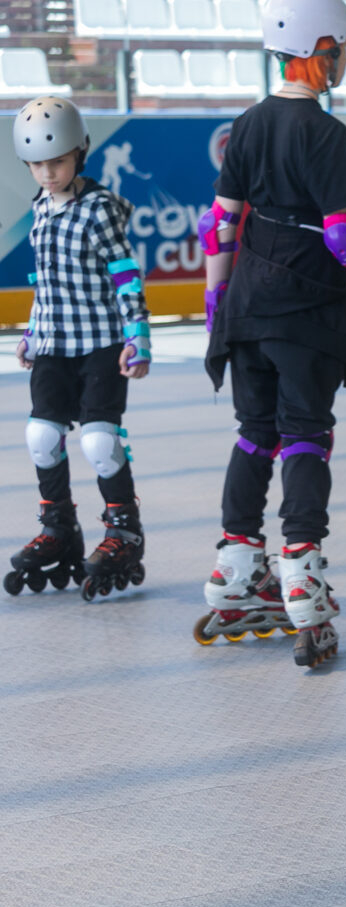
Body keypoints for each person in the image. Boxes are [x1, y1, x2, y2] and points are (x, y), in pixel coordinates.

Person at [197, 0, 346, 667]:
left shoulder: (245, 125)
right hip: (306, 308)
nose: (344, 62)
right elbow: (340, 236)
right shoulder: (324, 134)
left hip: (246, 305)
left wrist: (217, 301)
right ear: (313, 50)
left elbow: (220, 225)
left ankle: (236, 570)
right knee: (304, 434)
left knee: (253, 433)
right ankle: (301, 575)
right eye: (340, 50)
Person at [7, 95, 152, 602]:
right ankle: (59, 527)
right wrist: (31, 332)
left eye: (58, 161)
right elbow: (46, 282)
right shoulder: (40, 208)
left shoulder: (99, 210)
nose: (48, 173)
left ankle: (124, 533)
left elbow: (125, 273)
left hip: (100, 343)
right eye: (38, 164)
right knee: (41, 435)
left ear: (80, 154)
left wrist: (139, 334)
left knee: (98, 441)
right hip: (52, 341)